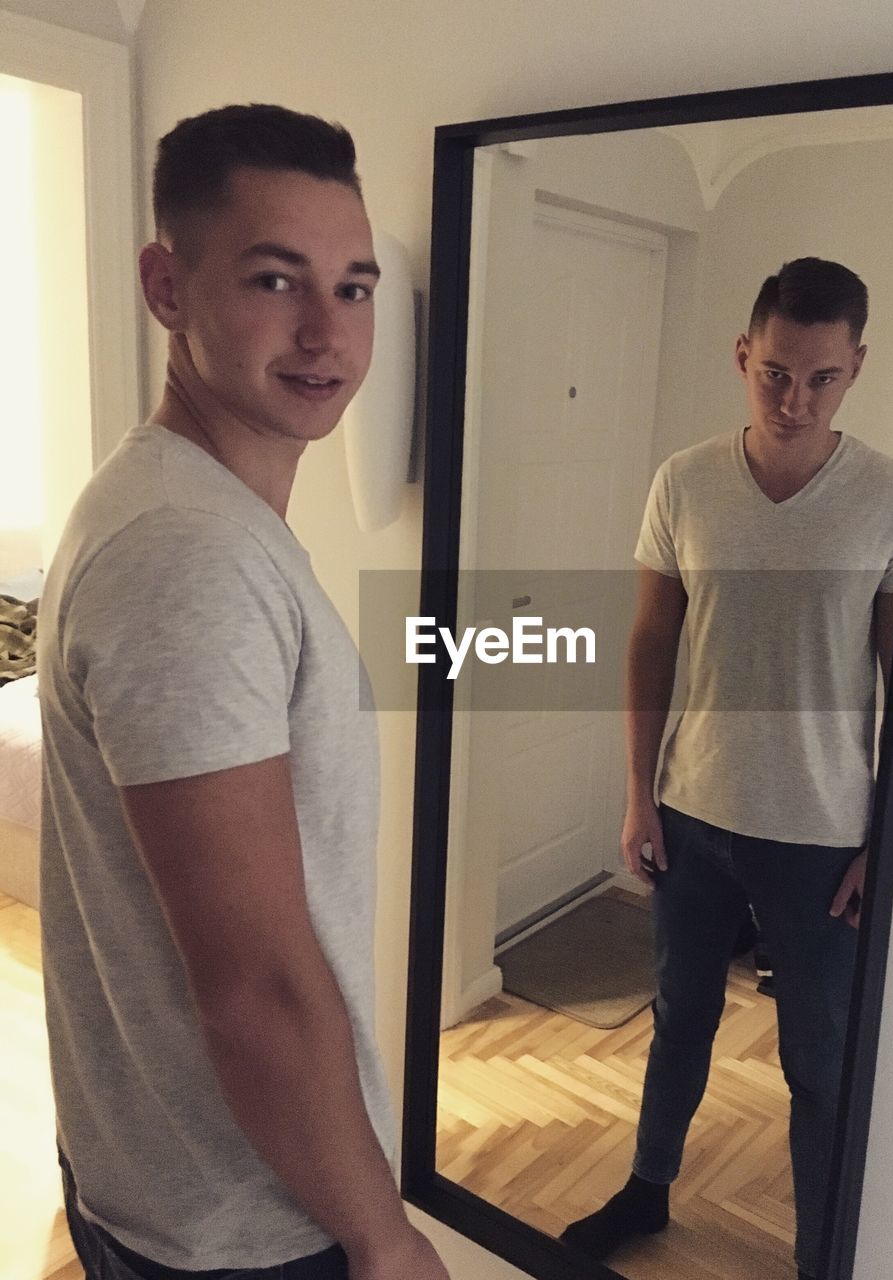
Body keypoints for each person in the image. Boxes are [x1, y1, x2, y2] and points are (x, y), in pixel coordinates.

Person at [36, 104, 449, 1280]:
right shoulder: (191, 558)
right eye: (276, 279)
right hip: (243, 1225)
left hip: (164, 1174)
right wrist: (381, 1235)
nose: (327, 330)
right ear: (166, 286)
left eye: (354, 287)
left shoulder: (184, 509)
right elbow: (257, 989)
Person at [560, 258, 893, 1280]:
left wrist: (881, 841)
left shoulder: (889, 498)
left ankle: (818, 1254)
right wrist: (637, 794)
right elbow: (647, 644)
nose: (793, 399)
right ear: (740, 356)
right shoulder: (684, 480)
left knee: (817, 1058)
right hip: (691, 812)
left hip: (820, 835)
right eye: (772, 373)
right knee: (678, 1017)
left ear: (852, 368)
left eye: (819, 377)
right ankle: (644, 1185)